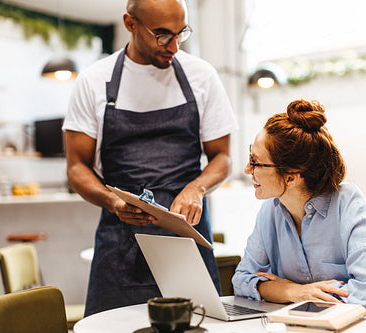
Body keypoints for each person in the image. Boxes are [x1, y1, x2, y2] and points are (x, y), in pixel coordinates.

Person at [63, 0, 237, 316]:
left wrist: (196, 188)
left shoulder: (202, 76)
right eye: (162, 35)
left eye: (180, 33)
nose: (173, 45)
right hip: (119, 243)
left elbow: (223, 157)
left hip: (186, 240)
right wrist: (112, 201)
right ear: (130, 23)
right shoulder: (93, 81)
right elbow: (76, 166)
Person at [232, 99, 366, 332]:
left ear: (291, 177)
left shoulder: (347, 203)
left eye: (256, 162)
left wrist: (290, 294)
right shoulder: (270, 210)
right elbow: (241, 280)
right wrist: (293, 291)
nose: (247, 169)